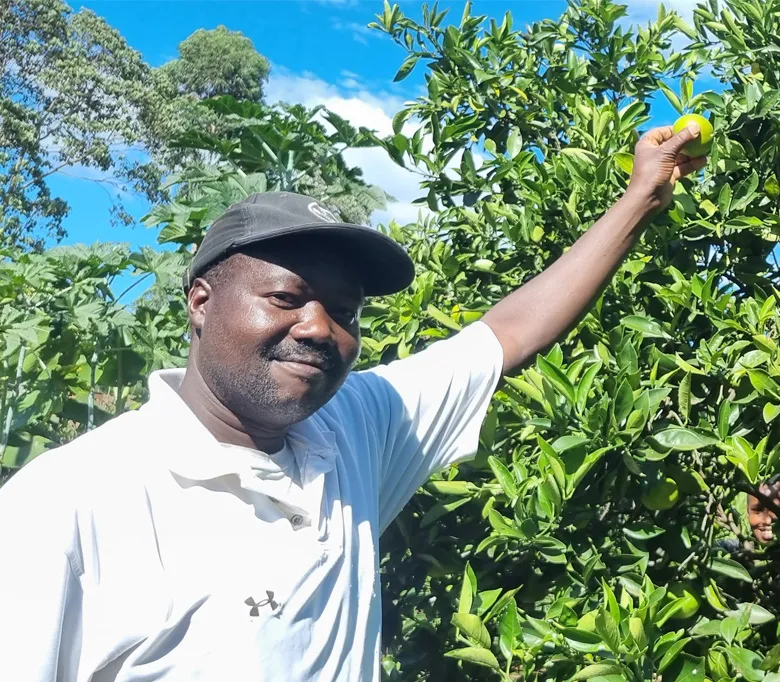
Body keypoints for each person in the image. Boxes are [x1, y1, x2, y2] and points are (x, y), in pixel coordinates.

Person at [0, 122, 707, 681]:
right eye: (286, 296)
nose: (319, 328)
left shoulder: (354, 433)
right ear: (201, 302)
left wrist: (641, 196)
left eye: (345, 310)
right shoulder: (70, 503)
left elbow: (507, 333)